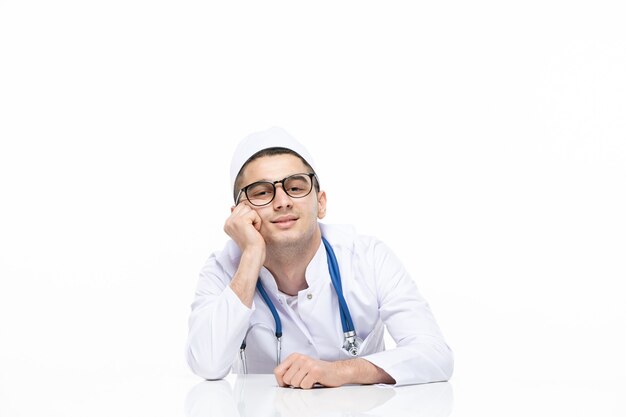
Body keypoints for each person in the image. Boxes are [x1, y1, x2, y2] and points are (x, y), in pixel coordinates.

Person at [186, 127, 454, 389]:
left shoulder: (367, 258)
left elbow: (434, 354)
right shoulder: (223, 270)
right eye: (262, 192)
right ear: (238, 215)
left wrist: (342, 371)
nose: (282, 202)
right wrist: (251, 253)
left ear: (321, 203)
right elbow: (207, 364)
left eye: (295, 187)